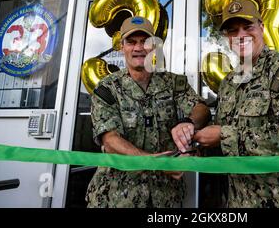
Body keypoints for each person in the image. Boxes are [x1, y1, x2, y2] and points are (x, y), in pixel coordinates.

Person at [193, 0, 279, 208]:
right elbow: (225, 143)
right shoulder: (229, 82)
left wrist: (223, 136)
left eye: (248, 27)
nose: (241, 35)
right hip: (240, 202)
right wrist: (198, 147)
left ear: (261, 27)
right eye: (233, 30)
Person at [86, 16, 210, 208]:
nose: (138, 48)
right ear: (121, 46)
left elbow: (201, 108)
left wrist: (188, 123)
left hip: (165, 197)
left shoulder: (173, 83)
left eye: (145, 41)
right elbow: (110, 141)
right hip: (117, 196)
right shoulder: (107, 88)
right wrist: (157, 163)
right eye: (131, 42)